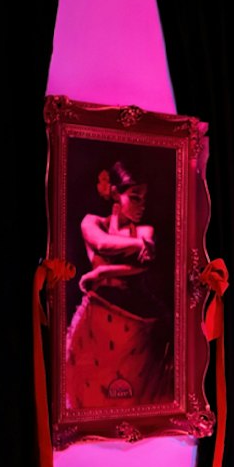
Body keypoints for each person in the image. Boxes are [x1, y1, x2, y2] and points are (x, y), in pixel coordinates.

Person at [63, 162, 171, 408]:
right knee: (88, 391)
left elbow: (141, 269)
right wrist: (139, 246)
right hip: (98, 315)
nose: (141, 205)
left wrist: (99, 273)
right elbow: (102, 244)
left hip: (138, 322)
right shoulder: (92, 222)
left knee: (138, 392)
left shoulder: (146, 229)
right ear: (114, 194)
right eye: (134, 198)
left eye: (143, 199)